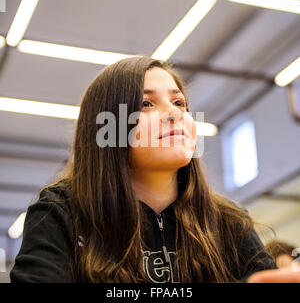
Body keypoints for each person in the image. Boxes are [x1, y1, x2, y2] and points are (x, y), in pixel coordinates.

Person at [10, 56, 279, 283]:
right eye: (146, 104)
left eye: (179, 103)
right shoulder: (60, 213)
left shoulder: (229, 221)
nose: (174, 115)